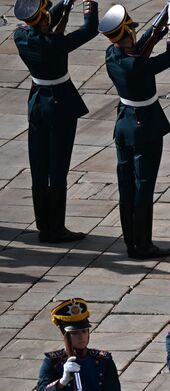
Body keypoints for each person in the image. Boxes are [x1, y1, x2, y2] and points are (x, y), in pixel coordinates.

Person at [100, 1, 170, 259]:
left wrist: (160, 21)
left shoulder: (112, 54)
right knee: (143, 187)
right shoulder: (136, 65)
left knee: (126, 186)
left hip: (124, 124)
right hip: (144, 126)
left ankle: (131, 241)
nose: (136, 34)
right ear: (127, 34)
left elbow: (140, 45)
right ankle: (143, 245)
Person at [15, 0, 99, 243]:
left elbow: (44, 23)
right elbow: (89, 30)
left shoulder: (20, 36)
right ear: (41, 19)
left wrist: (64, 4)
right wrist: (89, 4)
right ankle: (57, 229)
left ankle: (44, 225)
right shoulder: (55, 44)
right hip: (59, 107)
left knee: (39, 169)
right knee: (57, 169)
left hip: (37, 104)